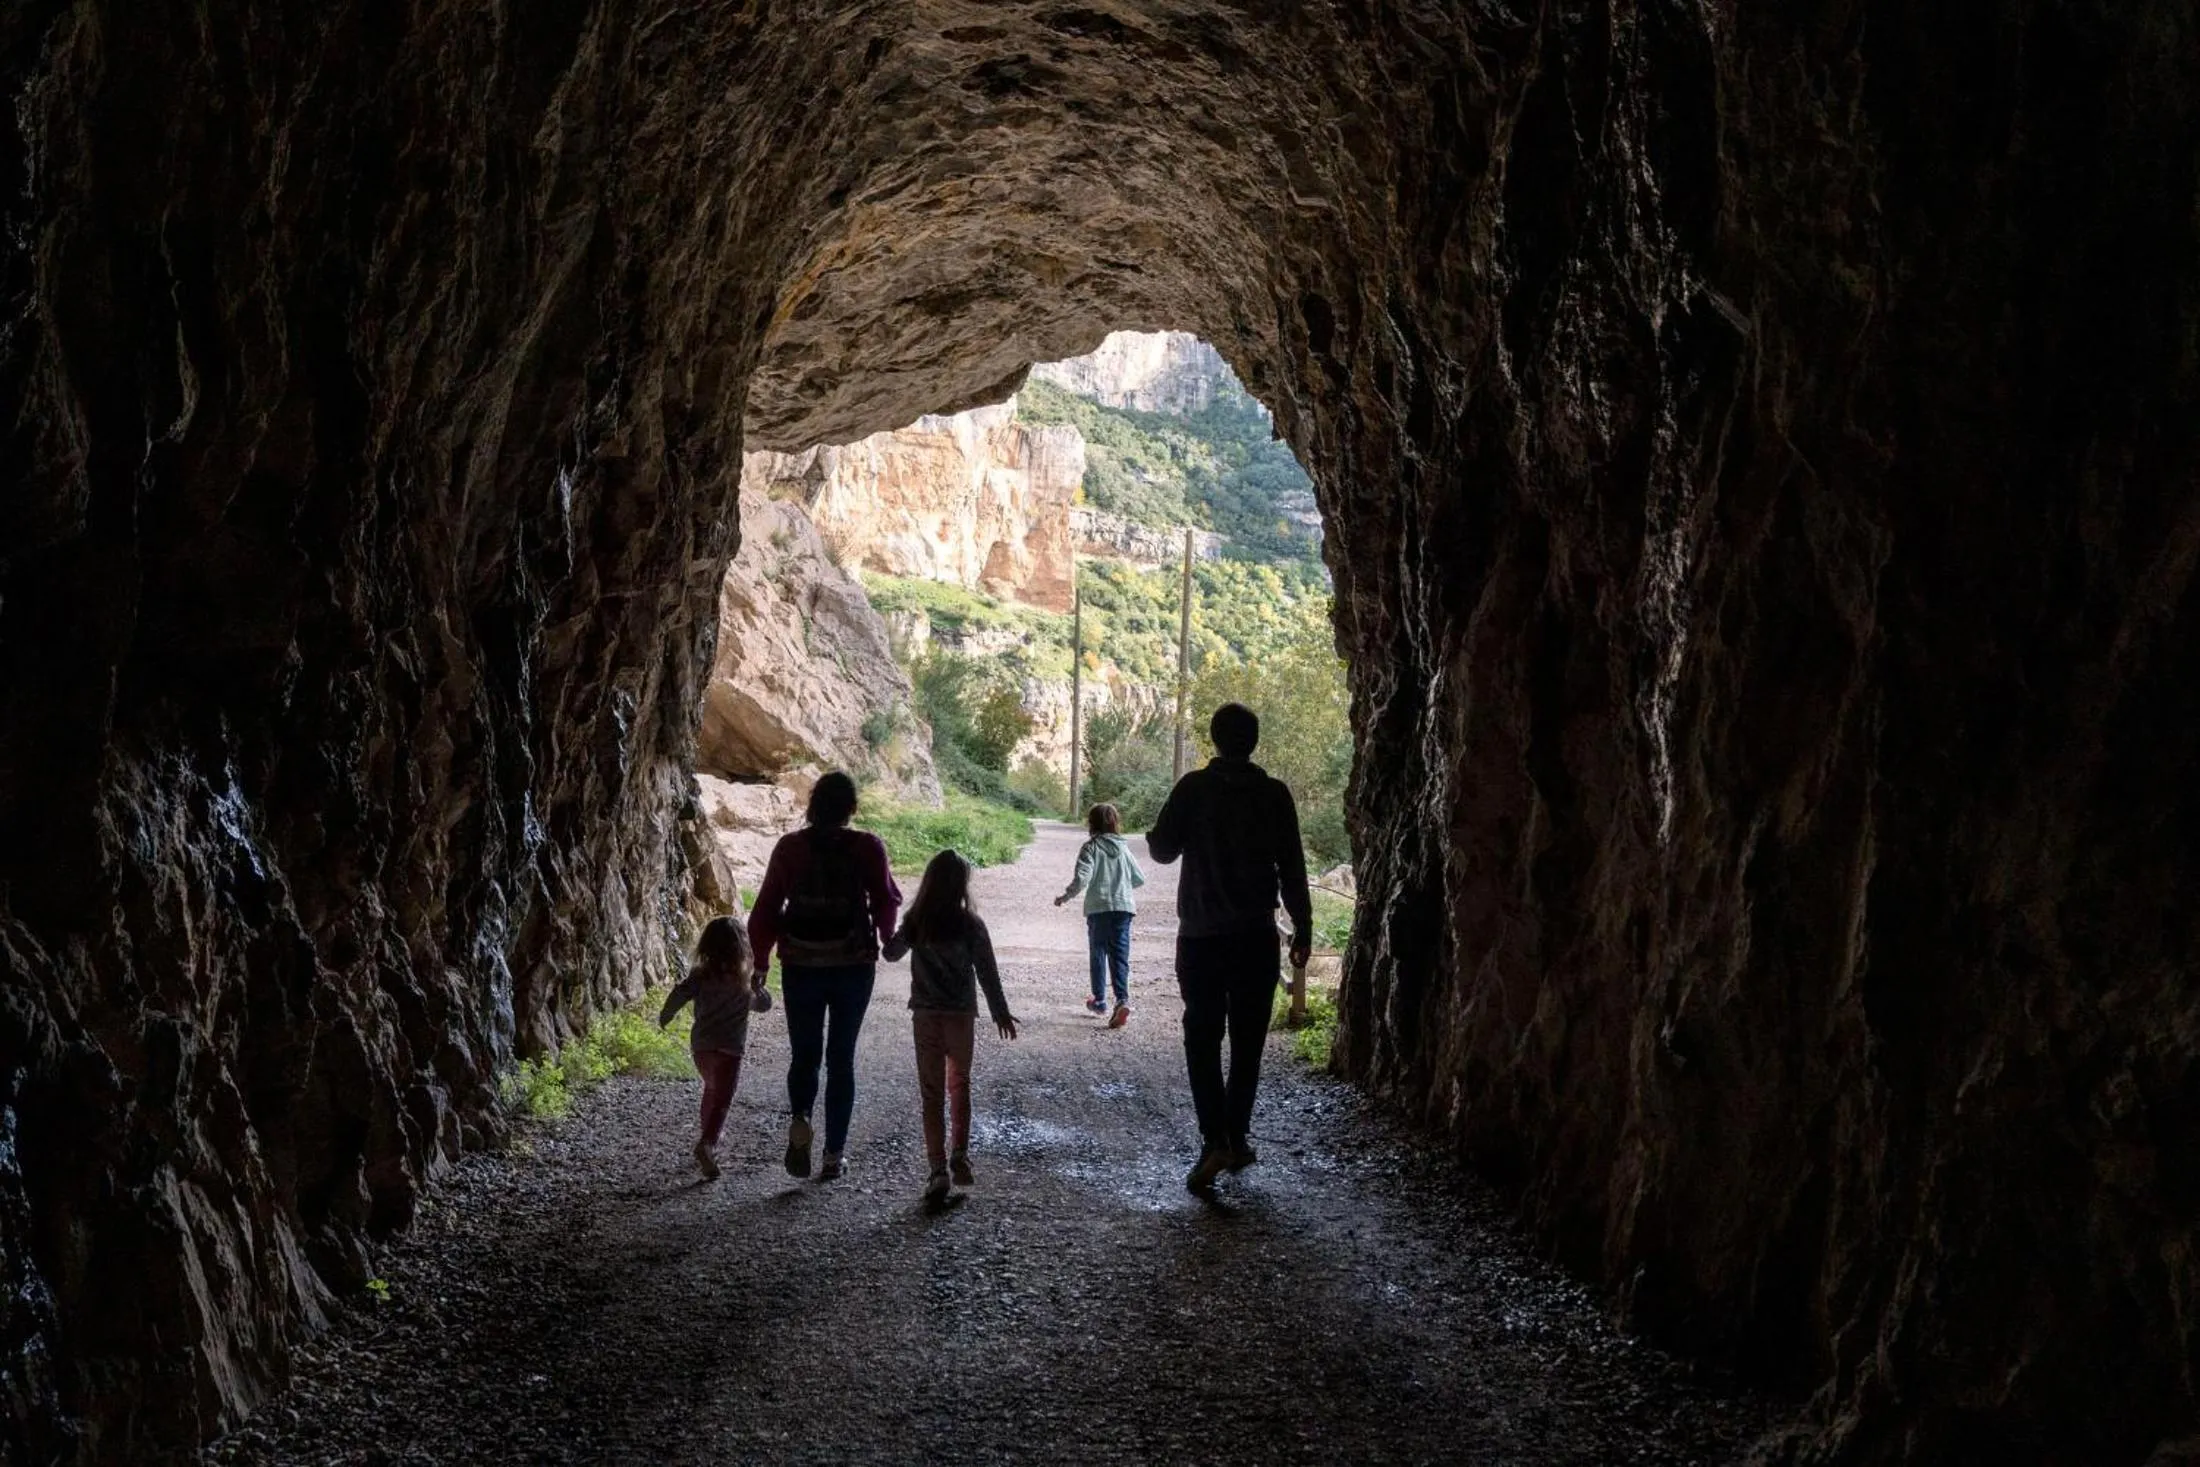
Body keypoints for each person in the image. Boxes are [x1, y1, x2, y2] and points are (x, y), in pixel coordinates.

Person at [1145, 703, 1313, 1193]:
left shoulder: (1193, 788)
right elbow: (1293, 867)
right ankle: (1236, 1137)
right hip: (1256, 937)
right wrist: (1302, 927)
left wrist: (1165, 832)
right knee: (1247, 1042)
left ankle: (1214, 1139)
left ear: (1214, 739)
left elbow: (1161, 850)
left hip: (1201, 937)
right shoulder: (1274, 794)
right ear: (1253, 742)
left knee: (1201, 1038)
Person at [748, 771, 901, 1181]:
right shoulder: (867, 846)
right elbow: (886, 900)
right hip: (853, 965)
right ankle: (834, 1154)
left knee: (804, 1055)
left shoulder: (790, 847)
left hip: (801, 964)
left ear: (813, 805)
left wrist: (761, 962)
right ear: (852, 807)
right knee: (841, 1059)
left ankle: (801, 1117)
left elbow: (765, 910)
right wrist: (887, 939)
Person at [883, 849, 1019, 1206]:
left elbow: (891, 954)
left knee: (931, 1093)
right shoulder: (971, 924)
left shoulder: (917, 921)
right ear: (962, 885)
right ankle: (960, 1154)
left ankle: (937, 1170)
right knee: (959, 1084)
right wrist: (1000, 1013)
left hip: (926, 1016)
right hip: (960, 1015)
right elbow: (987, 972)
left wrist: (885, 923)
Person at [658, 915, 769, 1180]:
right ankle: (707, 1144)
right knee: (723, 1098)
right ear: (742, 947)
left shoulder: (700, 975)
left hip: (702, 1047)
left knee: (711, 1089)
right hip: (730, 1049)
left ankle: (706, 1134)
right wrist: (760, 990)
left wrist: (666, 1014)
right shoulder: (743, 979)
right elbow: (763, 1005)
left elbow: (680, 993)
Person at [1053, 802, 1145, 1027]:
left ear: (1091, 823)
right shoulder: (1123, 848)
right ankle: (1122, 1000)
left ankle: (1100, 1001)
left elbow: (1082, 878)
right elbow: (1139, 878)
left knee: (1098, 953)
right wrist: (1120, 885)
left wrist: (1065, 896)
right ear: (1115, 823)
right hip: (1123, 908)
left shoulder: (1091, 847)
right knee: (1119, 956)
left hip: (1099, 909)